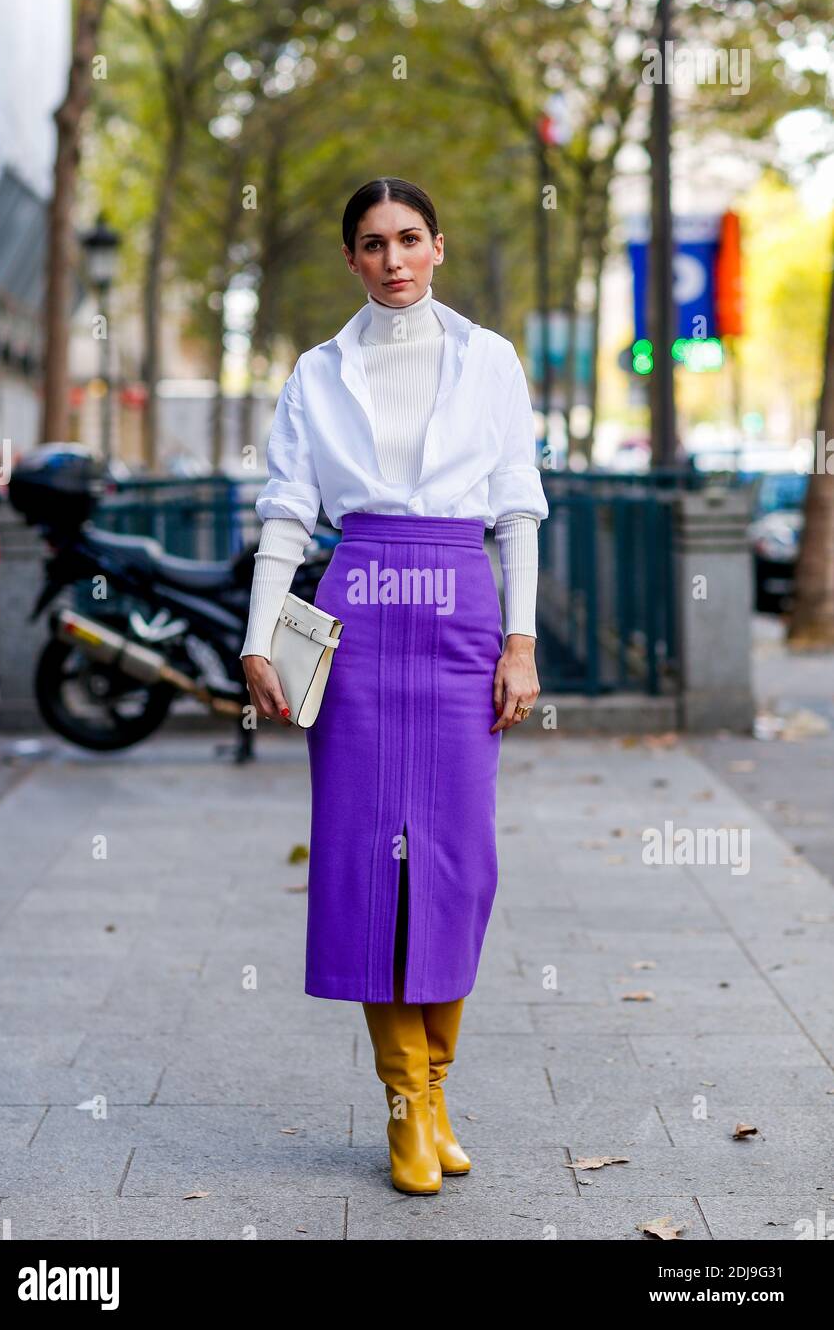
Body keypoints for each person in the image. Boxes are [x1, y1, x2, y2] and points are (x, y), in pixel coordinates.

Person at [241, 177, 549, 1195]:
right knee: (370, 858)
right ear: (350, 259)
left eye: (408, 238)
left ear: (438, 245)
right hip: (359, 613)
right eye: (371, 244)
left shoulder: (490, 360)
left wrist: (519, 640)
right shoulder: (317, 372)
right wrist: (256, 639)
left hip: (460, 607)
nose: (392, 259)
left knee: (457, 862)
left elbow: (516, 509)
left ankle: (439, 1083)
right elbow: (287, 510)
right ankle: (405, 1104)